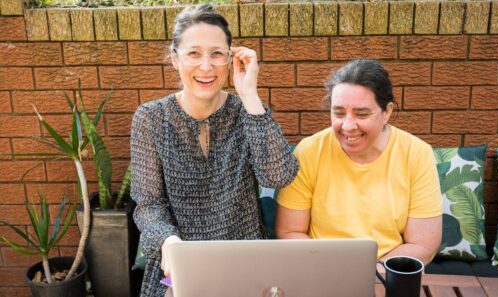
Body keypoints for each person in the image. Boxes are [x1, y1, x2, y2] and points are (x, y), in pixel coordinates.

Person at [130, 4, 298, 296]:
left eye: (217, 54)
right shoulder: (151, 118)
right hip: (177, 265)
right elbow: (148, 205)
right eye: (194, 53)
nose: (206, 67)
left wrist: (250, 95)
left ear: (231, 58)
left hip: (245, 262)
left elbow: (278, 176)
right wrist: (168, 242)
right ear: (175, 59)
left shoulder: (247, 111)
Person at [275, 59, 442, 265]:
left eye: (361, 114)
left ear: (387, 112)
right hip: (320, 268)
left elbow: (422, 244)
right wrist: (335, 271)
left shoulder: (416, 154)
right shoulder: (309, 151)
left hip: (386, 272)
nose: (348, 125)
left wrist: (373, 273)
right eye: (338, 113)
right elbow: (290, 231)